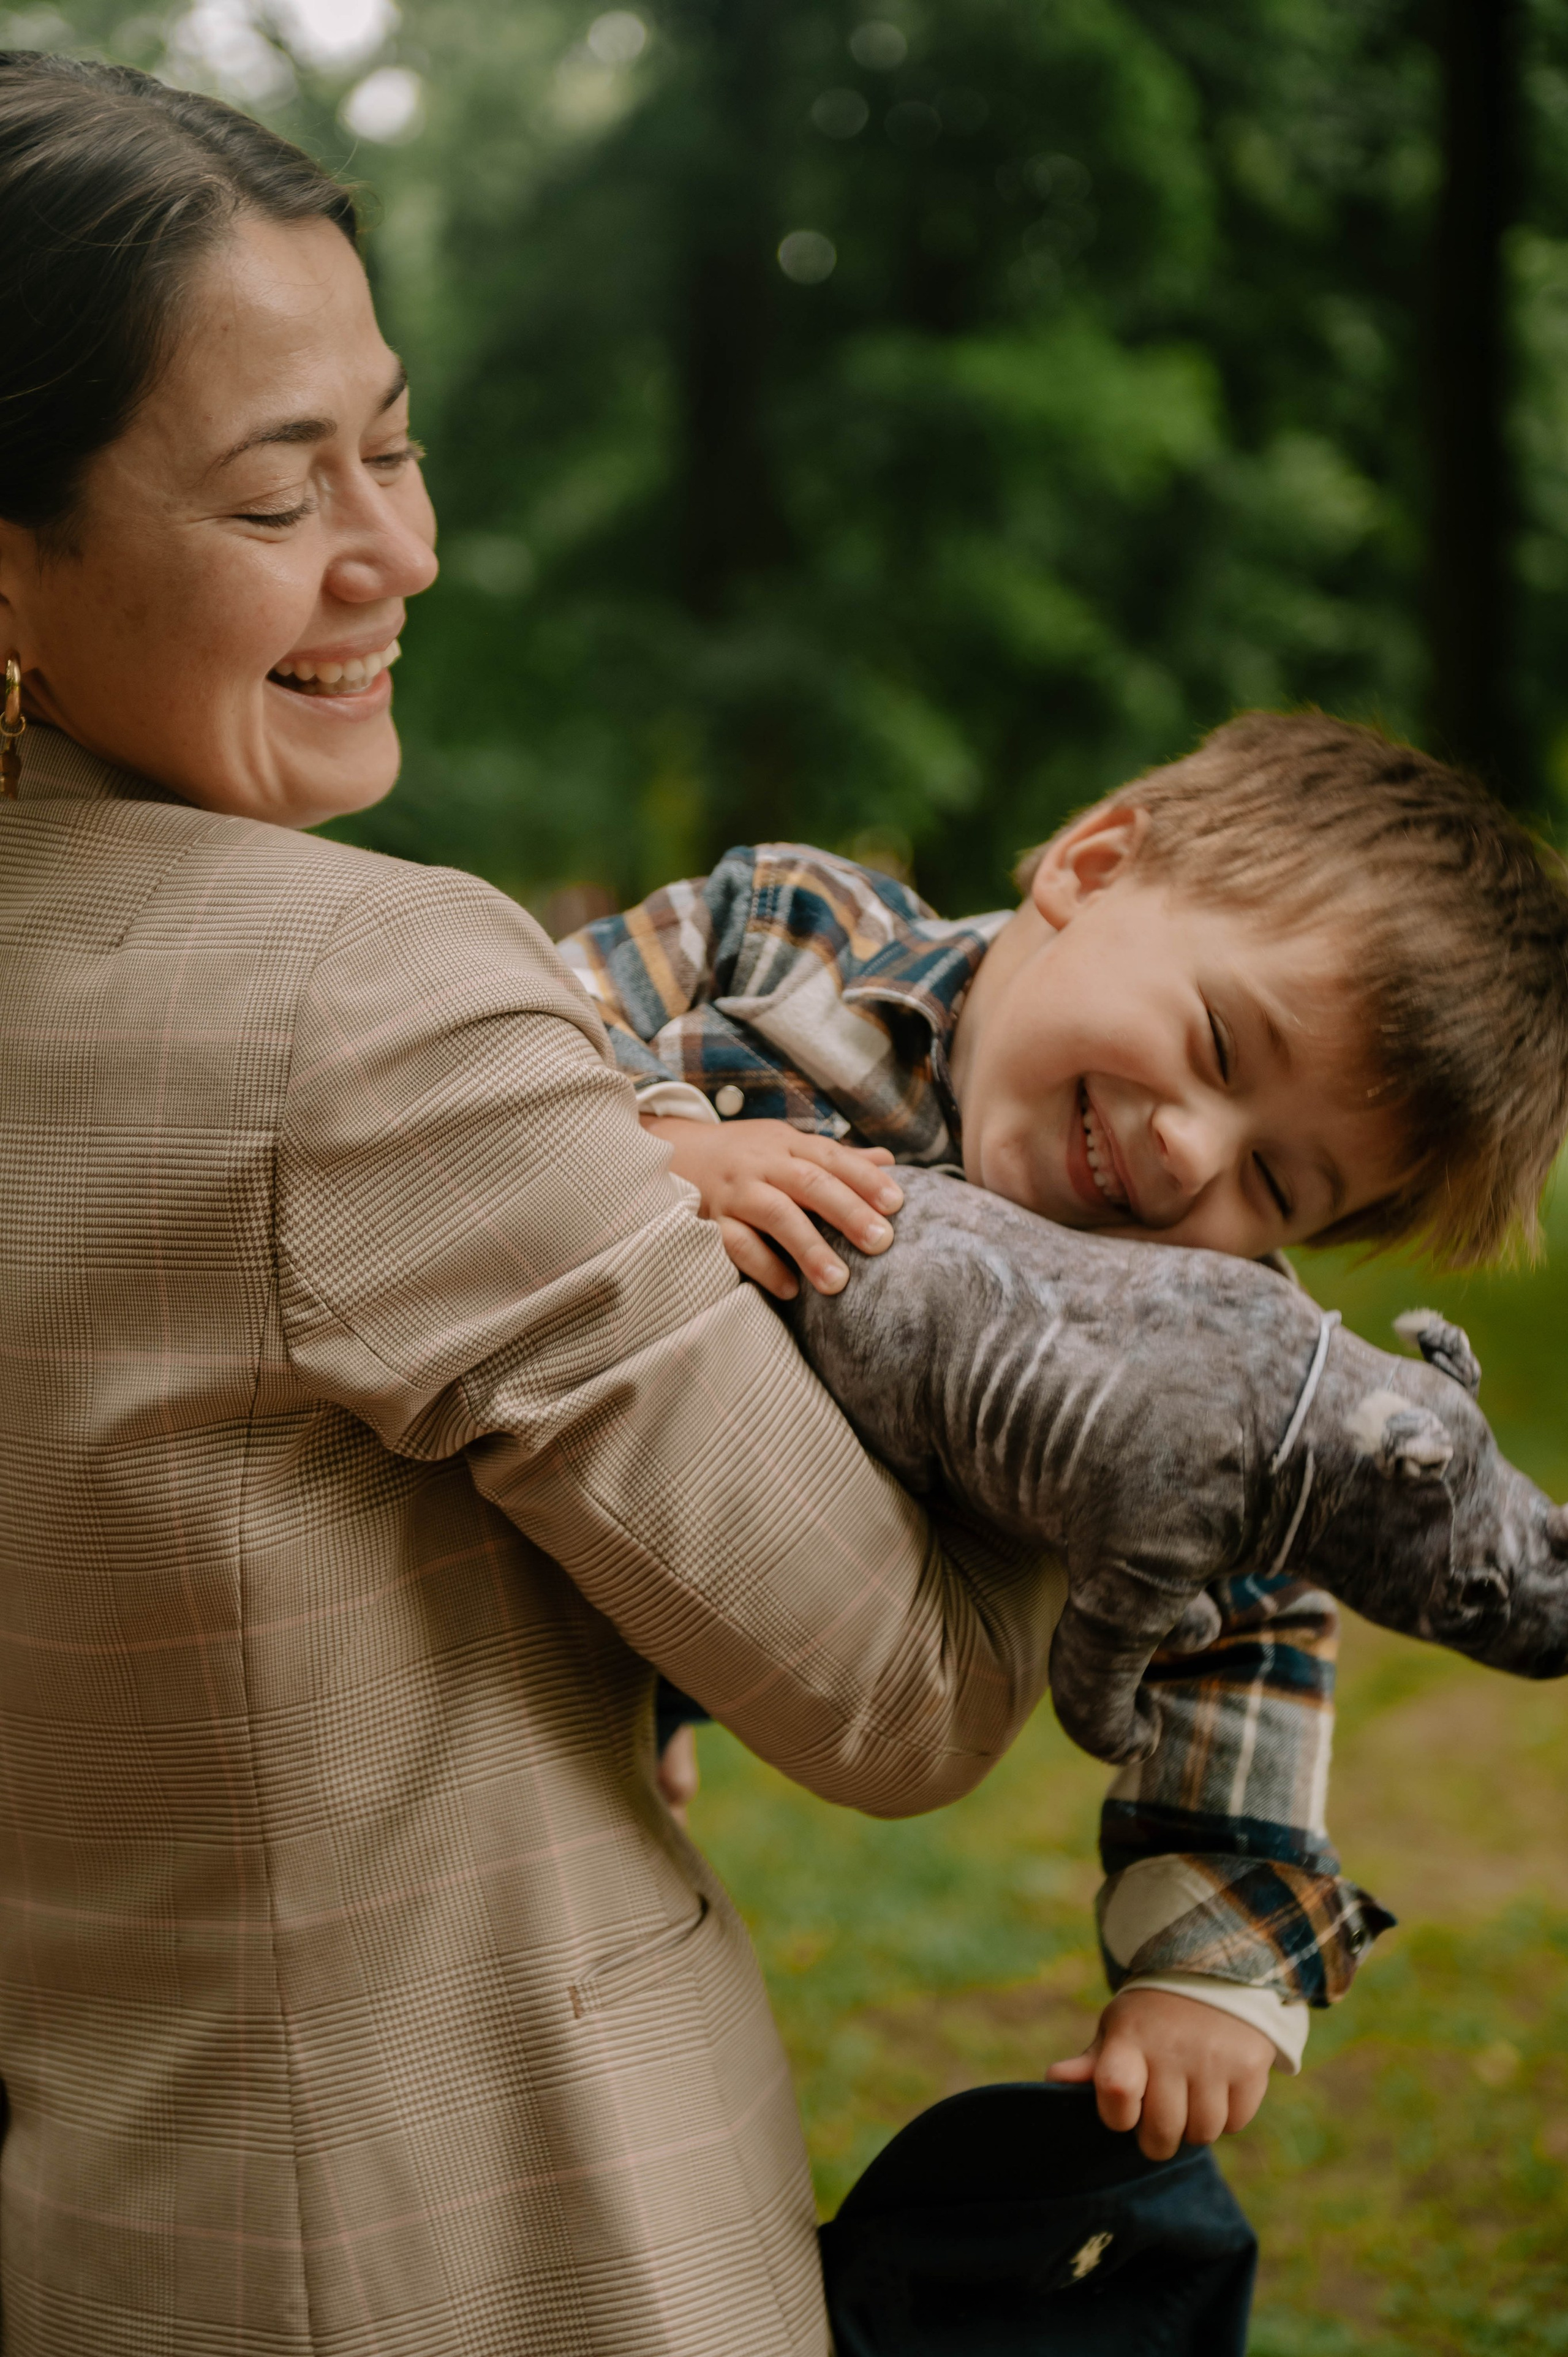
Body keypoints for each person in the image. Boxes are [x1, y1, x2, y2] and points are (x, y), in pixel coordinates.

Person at [0, 55, 1074, 2357]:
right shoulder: (362, 1001)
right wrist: (1131, 1316)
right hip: (491, 2244)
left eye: (393, 441)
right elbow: (898, 1692)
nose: (403, 550)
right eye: (287, 491)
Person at [557, 715, 1568, 2110]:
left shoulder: (1206, 1347)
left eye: (1275, 1187)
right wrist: (666, 1140)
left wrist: (1210, 1968)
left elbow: (1253, 1635)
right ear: (1090, 868)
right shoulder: (793, 932)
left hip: (704, 1587)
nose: (1190, 1150)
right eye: (1219, 1041)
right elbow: (510, 1032)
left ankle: (624, 1714)